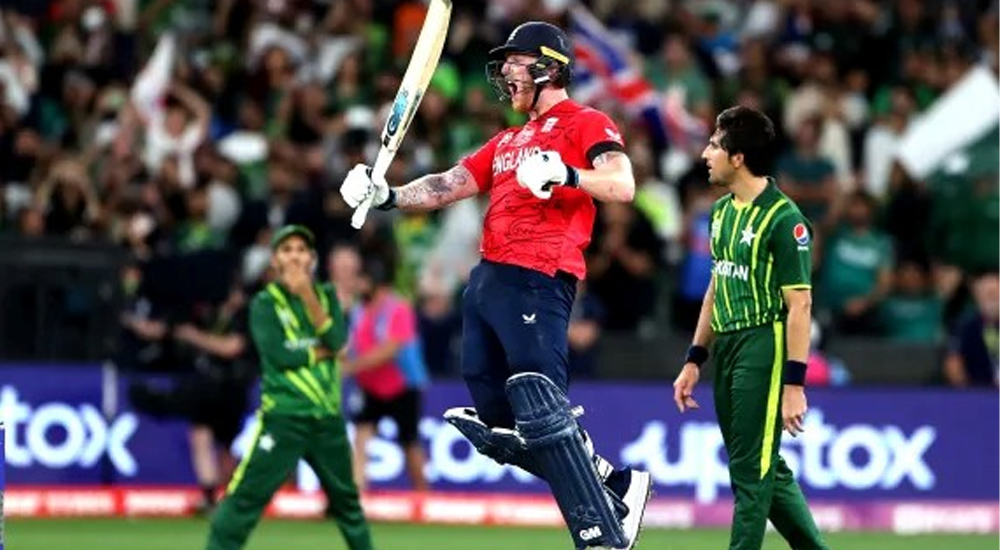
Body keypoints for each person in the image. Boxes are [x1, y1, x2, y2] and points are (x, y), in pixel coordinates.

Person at [340, 21, 651, 550]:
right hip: (488, 278)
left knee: (541, 405)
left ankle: (599, 531)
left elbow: (622, 184)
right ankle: (615, 483)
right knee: (501, 424)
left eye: (515, 62)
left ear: (549, 67)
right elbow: (446, 185)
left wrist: (567, 175)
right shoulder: (507, 139)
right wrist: (386, 195)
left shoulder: (586, 122)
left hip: (539, 276)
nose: (506, 73)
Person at [672, 105, 829, 550]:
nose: (705, 154)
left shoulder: (784, 220)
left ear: (738, 157)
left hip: (764, 344)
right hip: (727, 347)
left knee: (749, 474)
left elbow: (800, 305)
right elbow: (716, 287)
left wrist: (793, 385)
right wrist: (695, 358)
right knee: (762, 467)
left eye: (714, 146)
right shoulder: (721, 212)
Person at [204, 225, 373, 550]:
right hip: (283, 418)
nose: (294, 256)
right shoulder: (264, 303)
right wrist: (319, 350)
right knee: (245, 498)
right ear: (275, 260)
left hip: (327, 419)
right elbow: (279, 356)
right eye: (286, 250)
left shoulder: (326, 295)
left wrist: (308, 296)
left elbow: (337, 342)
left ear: (311, 258)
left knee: (348, 505)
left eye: (301, 250)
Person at [343, 256, 430, 492]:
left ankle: (424, 496)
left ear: (375, 283)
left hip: (402, 386)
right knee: (361, 437)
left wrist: (350, 367)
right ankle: (357, 497)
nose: (358, 285)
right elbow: (352, 343)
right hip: (370, 386)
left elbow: (390, 350)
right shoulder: (359, 310)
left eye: (362, 280)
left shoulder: (398, 309)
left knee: (409, 444)